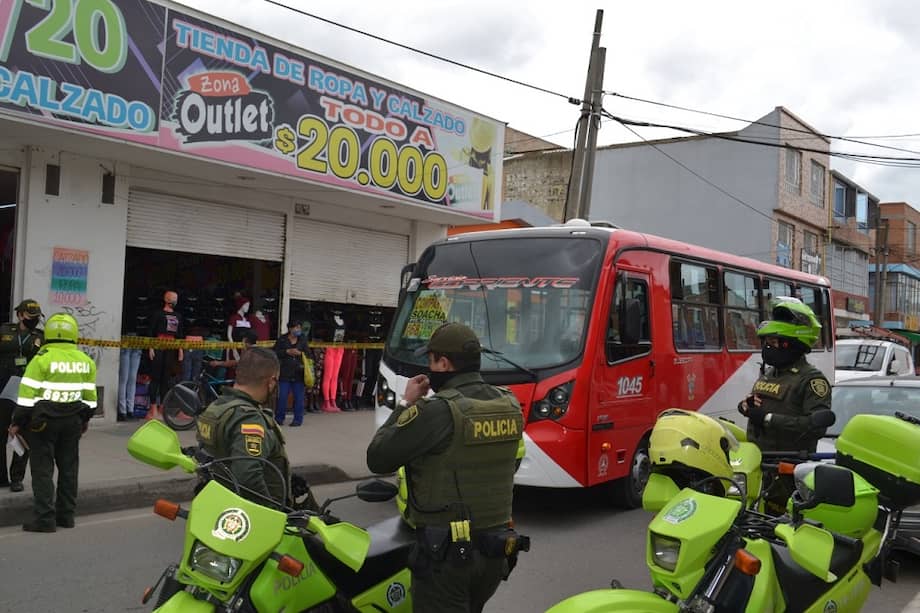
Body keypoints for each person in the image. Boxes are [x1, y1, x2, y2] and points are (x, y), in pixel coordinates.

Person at [367, 322, 528, 613]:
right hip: (496, 551)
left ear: (443, 362)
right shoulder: (508, 403)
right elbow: (510, 462)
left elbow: (378, 458)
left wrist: (406, 402)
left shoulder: (439, 411)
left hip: (448, 557)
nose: (429, 368)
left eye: (431, 361)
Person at [737, 297, 830, 513]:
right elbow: (754, 406)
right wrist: (746, 406)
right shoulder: (770, 374)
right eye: (767, 342)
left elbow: (816, 426)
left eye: (775, 342)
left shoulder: (811, 380)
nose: (769, 347)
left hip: (789, 472)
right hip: (759, 466)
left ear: (793, 345)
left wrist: (768, 419)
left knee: (781, 528)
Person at [195, 347, 315, 510]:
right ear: (271, 381)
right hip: (250, 519)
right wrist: (272, 513)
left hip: (222, 504)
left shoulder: (217, 407)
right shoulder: (249, 419)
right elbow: (247, 475)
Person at [11, 313, 96, 532]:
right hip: (73, 422)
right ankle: (66, 516)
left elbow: (26, 398)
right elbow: (91, 400)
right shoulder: (85, 361)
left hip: (43, 423)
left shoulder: (41, 359)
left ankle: (45, 519)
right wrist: (83, 420)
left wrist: (17, 423)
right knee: (69, 469)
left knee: (42, 470)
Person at [0, 299, 43, 492]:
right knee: (1, 433)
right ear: (19, 315)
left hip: (27, 390)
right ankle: (1, 477)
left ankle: (16, 477)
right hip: (3, 389)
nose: (33, 320)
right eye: (29, 316)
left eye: (36, 317)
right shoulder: (5, 331)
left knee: (23, 434)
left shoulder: (41, 337)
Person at [146, 290, 184, 421]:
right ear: (166, 299)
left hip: (171, 348)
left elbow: (179, 334)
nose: (175, 301)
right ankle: (152, 408)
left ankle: (162, 408)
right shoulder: (158, 314)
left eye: (176, 299)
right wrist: (151, 347)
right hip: (158, 347)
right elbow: (151, 331)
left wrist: (180, 349)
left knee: (165, 379)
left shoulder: (178, 316)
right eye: (173, 298)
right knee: (155, 377)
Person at [273, 320, 310, 425]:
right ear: (290, 328)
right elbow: (274, 352)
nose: (298, 329)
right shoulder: (282, 339)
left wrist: (300, 353)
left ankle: (298, 419)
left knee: (299, 398)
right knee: (282, 397)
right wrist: (286, 352)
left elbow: (309, 354)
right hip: (285, 373)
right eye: (296, 327)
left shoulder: (303, 339)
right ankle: (279, 418)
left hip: (299, 373)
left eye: (299, 327)